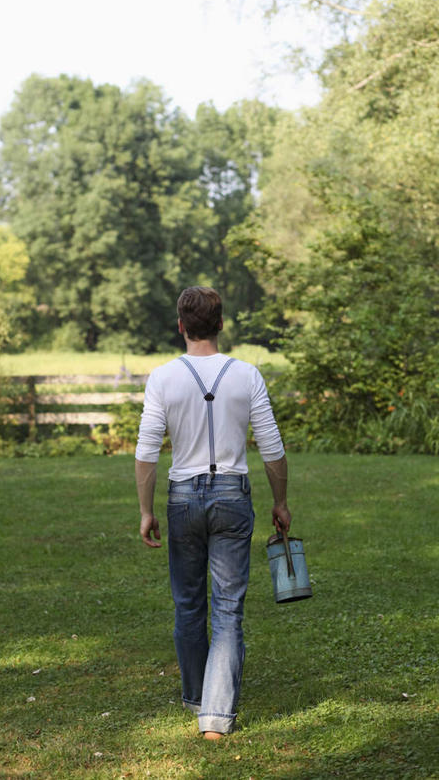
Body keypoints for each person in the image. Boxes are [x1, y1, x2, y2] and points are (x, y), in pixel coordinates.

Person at [135, 286, 291, 740]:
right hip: (232, 496)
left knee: (188, 604)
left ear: (181, 326)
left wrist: (146, 510)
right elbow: (273, 448)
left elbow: (147, 452)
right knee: (227, 608)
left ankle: (198, 697)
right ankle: (216, 717)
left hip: (182, 496)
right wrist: (280, 501)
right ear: (221, 324)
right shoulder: (247, 374)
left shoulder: (162, 377)